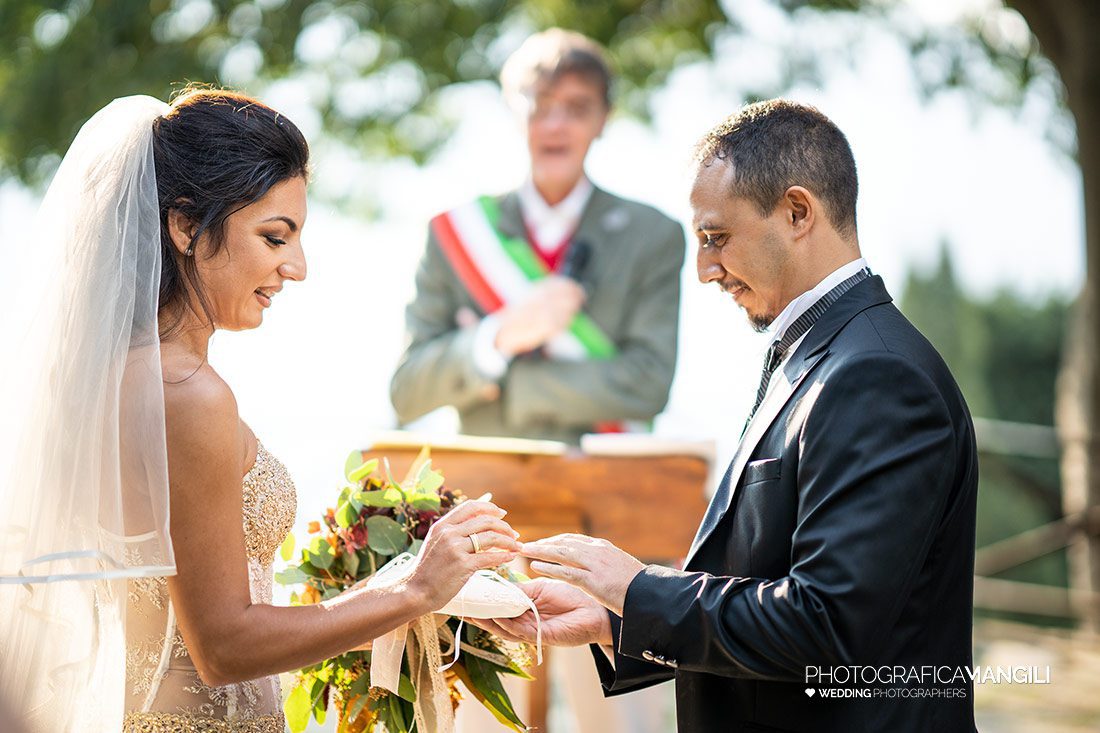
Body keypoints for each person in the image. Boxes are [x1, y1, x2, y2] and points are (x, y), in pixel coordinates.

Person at [0, 88, 519, 733]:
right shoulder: (187, 395)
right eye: (276, 237)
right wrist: (412, 588)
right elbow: (222, 647)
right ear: (186, 226)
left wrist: (413, 604)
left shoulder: (118, 376)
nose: (296, 267)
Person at [479, 99, 980, 733]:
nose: (704, 270)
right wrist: (617, 620)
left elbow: (827, 624)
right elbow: (767, 579)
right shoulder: (821, 353)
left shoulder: (876, 376)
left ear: (798, 212)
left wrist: (639, 590)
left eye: (716, 238)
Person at [389, 28, 685, 444]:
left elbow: (648, 384)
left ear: (604, 118)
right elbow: (407, 391)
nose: (556, 124)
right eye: (539, 105)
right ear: (513, 110)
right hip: (483, 490)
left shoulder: (653, 234)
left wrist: (511, 384)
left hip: (605, 491)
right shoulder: (454, 232)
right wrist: (500, 335)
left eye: (577, 108)